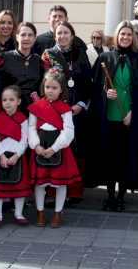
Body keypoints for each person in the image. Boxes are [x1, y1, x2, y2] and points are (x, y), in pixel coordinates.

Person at [90, 21, 138, 211]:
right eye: (122, 34)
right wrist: (105, 92)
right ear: (116, 36)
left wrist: (133, 113)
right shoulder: (105, 57)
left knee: (126, 157)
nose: (125, 37)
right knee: (110, 157)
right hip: (110, 114)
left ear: (133, 37)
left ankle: (121, 196)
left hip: (129, 115)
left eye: (128, 34)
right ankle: (109, 195)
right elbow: (94, 87)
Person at [41, 22, 93, 202]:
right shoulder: (48, 55)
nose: (62, 36)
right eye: (59, 33)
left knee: (76, 151)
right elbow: (45, 83)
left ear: (72, 35)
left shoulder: (81, 54)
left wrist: (80, 104)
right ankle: (52, 192)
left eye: (66, 33)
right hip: (55, 112)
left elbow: (88, 83)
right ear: (55, 36)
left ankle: (74, 191)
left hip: (76, 111)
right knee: (56, 149)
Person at [28, 68, 81, 228]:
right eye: (48, 87)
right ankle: (40, 212)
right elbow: (31, 127)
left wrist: (54, 148)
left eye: (54, 88)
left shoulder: (65, 109)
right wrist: (36, 145)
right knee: (40, 183)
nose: (50, 91)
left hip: (59, 149)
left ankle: (58, 212)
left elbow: (69, 131)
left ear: (61, 89)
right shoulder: (36, 107)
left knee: (60, 184)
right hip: (40, 147)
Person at [0, 85, 31, 227]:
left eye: (11, 100)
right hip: (1, 157)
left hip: (17, 158)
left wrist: (17, 155)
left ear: (18, 101)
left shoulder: (23, 119)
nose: (7, 103)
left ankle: (18, 214)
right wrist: (1, 155)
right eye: (4, 100)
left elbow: (25, 140)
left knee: (19, 188)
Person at [0, 22, 44, 112]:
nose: (26, 38)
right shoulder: (4, 58)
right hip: (10, 109)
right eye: (23, 35)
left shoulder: (38, 61)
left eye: (30, 35)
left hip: (33, 110)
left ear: (34, 39)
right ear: (17, 37)